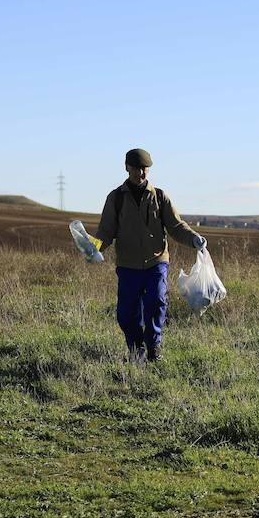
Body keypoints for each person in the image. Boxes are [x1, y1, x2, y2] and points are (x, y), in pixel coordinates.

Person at [95, 148, 207, 362]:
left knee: (156, 303)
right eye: (136, 168)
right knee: (127, 313)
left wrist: (194, 238)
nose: (141, 173)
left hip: (156, 262)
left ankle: (154, 348)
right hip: (128, 265)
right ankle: (136, 349)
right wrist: (95, 247)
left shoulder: (160, 196)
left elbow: (176, 226)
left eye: (144, 169)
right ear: (127, 168)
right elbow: (106, 231)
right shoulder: (116, 198)